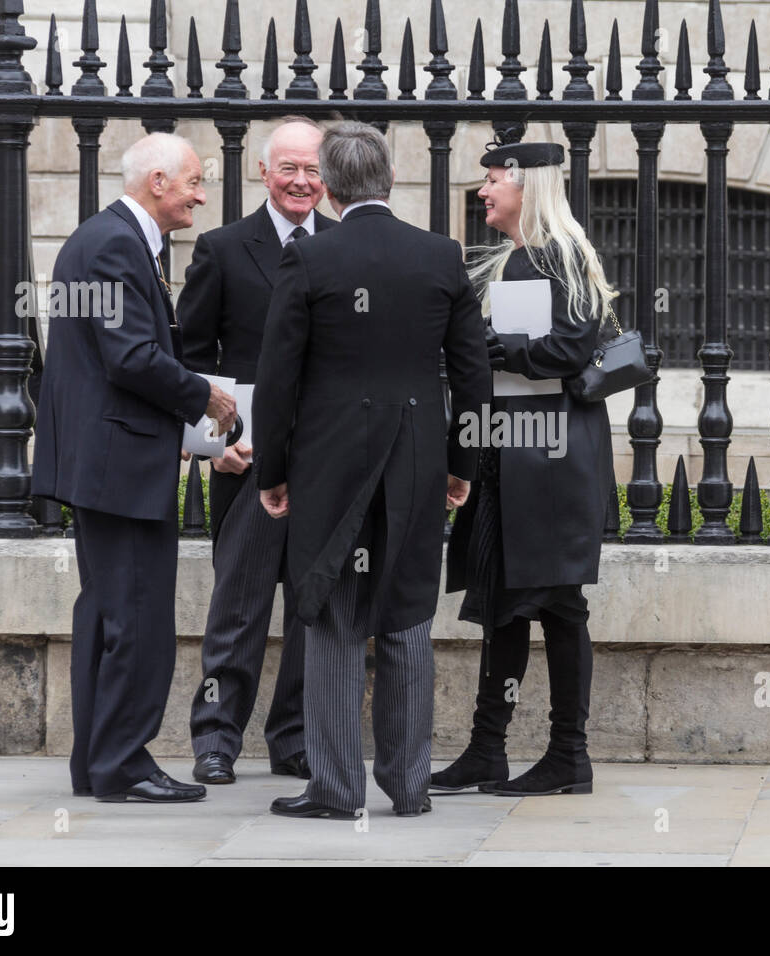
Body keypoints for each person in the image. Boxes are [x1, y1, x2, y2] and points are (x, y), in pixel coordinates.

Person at [252, 121, 490, 819]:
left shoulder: (310, 259)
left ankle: (334, 787)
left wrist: (271, 471)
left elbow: (278, 377)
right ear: (389, 179)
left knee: (328, 616)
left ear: (327, 185)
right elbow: (472, 377)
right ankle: (409, 784)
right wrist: (461, 463)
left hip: (328, 467)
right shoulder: (441, 257)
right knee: (409, 616)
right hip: (416, 463)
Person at [33, 133, 237, 803]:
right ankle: (121, 765)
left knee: (108, 615)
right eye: (192, 184)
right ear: (157, 181)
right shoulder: (117, 243)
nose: (200, 196)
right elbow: (129, 357)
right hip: (118, 470)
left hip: (107, 460)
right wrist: (200, 396)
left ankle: (99, 764)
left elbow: (99, 365)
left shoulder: (99, 238)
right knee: (138, 621)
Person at [432, 137, 618, 797]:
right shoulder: (516, 257)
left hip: (551, 458)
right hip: (511, 451)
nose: (483, 191)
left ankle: (570, 755)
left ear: (524, 186)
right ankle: (488, 749)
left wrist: (484, 345)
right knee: (506, 605)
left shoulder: (556, 252)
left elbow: (570, 345)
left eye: (492, 181)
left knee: (560, 606)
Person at [179, 118, 338, 786]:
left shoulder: (345, 245)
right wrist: (215, 445)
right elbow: (188, 359)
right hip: (244, 465)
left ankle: (294, 740)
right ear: (264, 172)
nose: (301, 181)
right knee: (236, 613)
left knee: (313, 610)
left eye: (312, 171)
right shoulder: (220, 248)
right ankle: (215, 738)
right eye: (289, 169)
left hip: (324, 466)